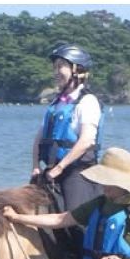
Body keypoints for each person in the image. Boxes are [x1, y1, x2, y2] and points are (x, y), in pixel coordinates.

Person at [32, 43, 104, 212]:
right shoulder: (56, 103)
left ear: (76, 70)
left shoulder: (87, 102)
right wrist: (35, 167)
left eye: (60, 67)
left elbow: (86, 141)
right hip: (49, 170)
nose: (56, 72)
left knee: (75, 219)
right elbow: (38, 138)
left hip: (77, 172)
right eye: (54, 67)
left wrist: (59, 168)